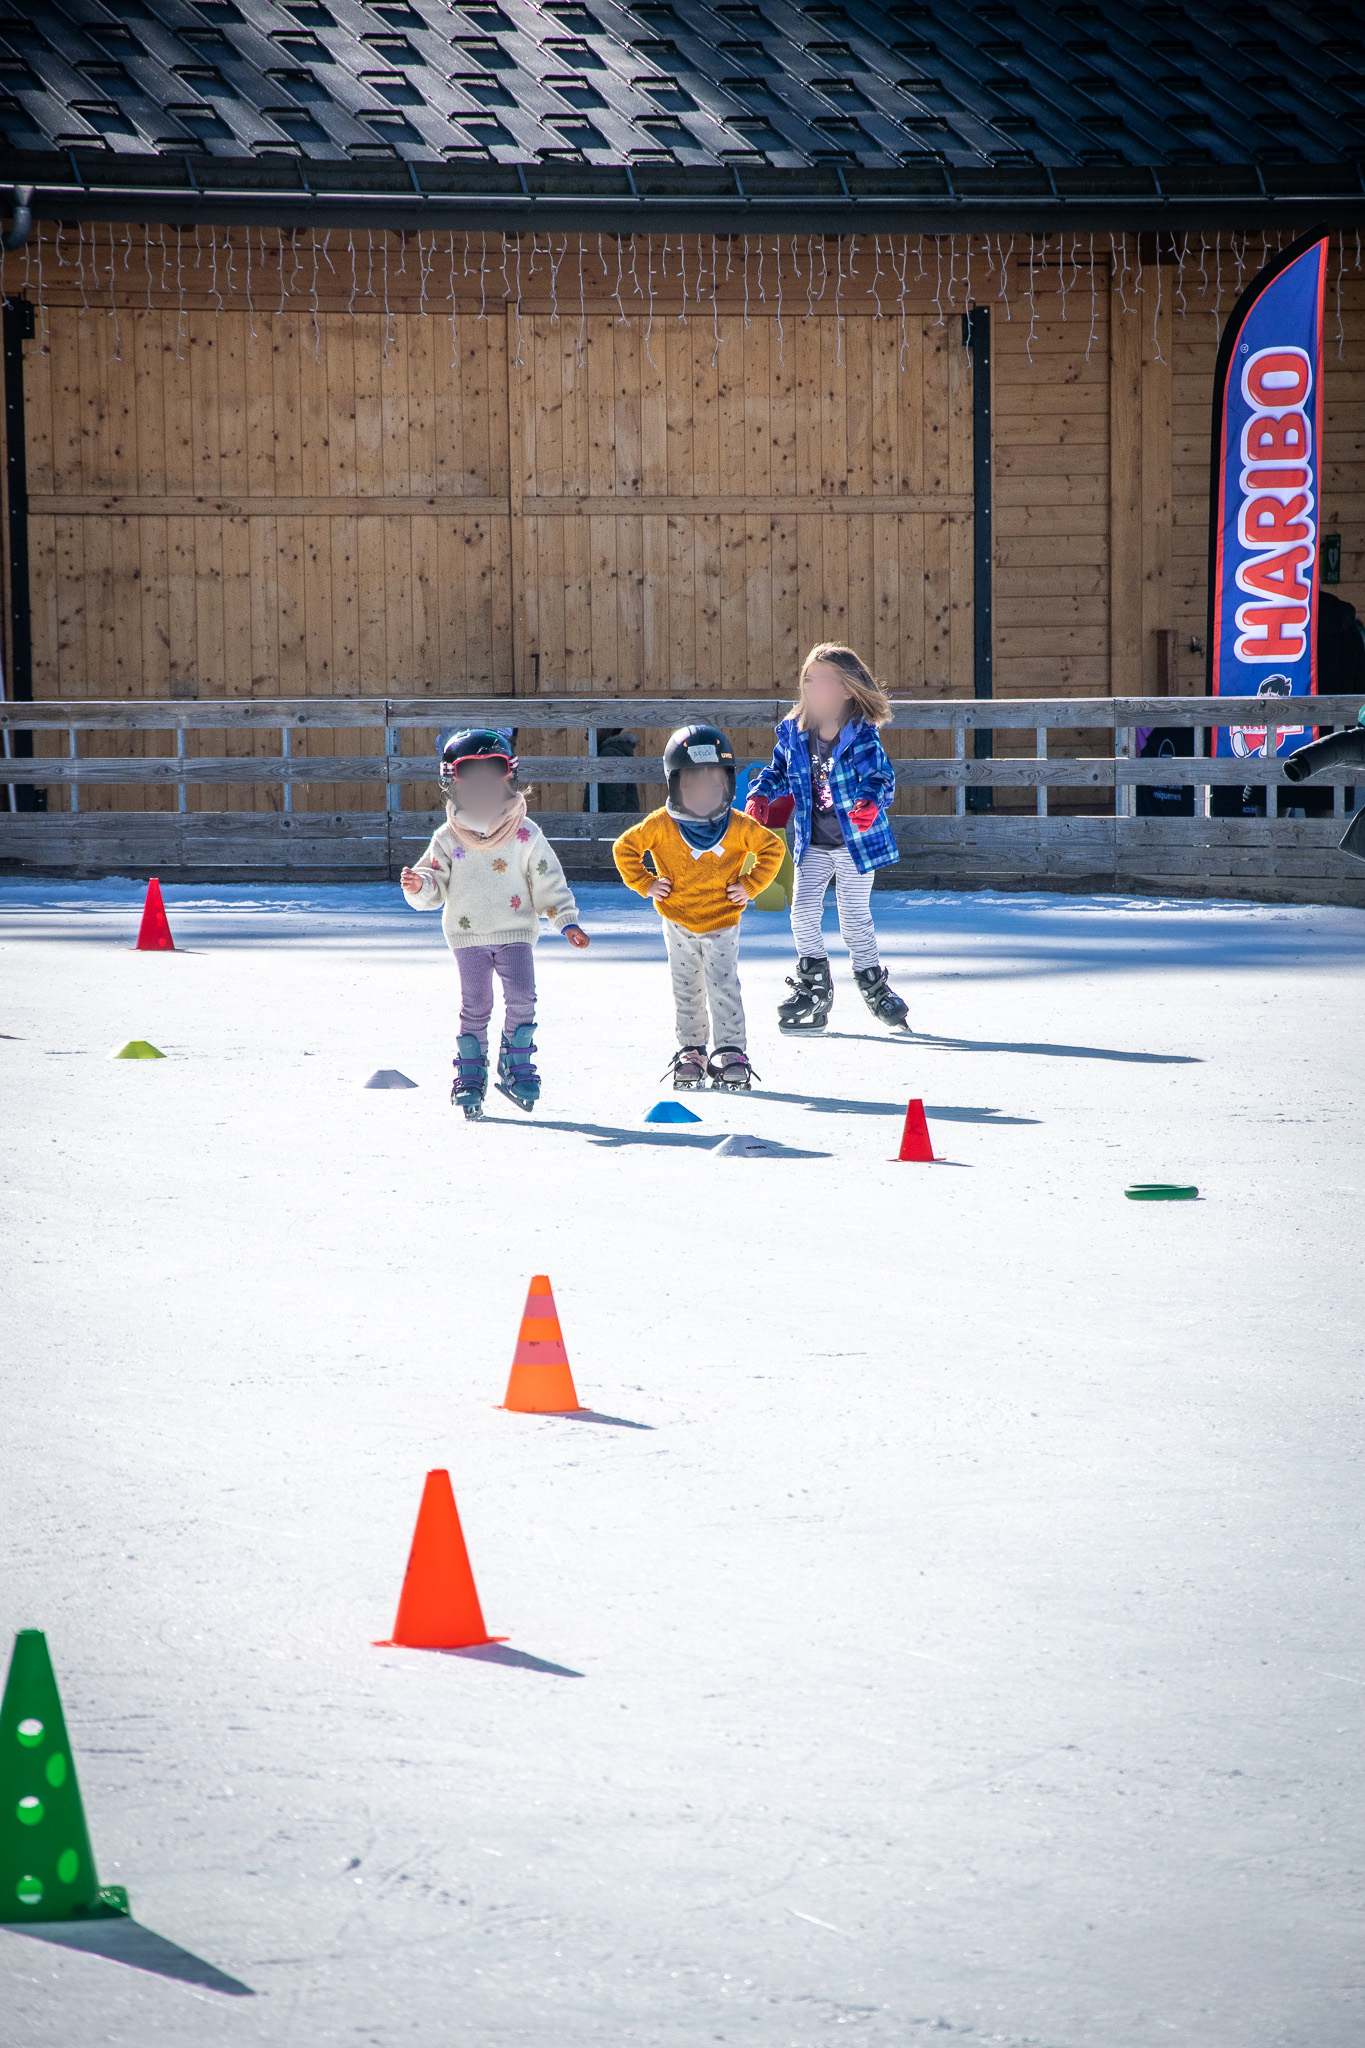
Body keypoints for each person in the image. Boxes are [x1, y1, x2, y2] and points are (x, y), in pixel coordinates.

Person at [400, 729, 589, 1120]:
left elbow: (548, 879)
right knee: (476, 1004)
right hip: (467, 936)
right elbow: (434, 884)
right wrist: (420, 884)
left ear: (508, 780)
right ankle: (470, 1073)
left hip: (516, 932)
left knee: (522, 996)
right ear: (452, 785)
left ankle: (516, 1063)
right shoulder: (447, 837)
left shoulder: (525, 833)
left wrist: (565, 920)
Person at [744, 642, 910, 1033]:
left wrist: (870, 802)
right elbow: (777, 771)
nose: (815, 688)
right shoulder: (793, 732)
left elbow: (880, 778)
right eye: (810, 680)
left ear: (848, 690)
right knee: (801, 913)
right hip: (814, 843)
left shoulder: (862, 736)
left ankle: (874, 986)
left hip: (856, 845)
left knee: (854, 920)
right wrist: (759, 794)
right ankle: (814, 987)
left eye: (826, 682)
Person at [612, 724, 785, 1091]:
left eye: (713, 785)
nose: (704, 795)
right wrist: (646, 882)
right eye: (694, 786)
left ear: (727, 785)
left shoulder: (738, 825)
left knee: (723, 986)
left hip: (722, 921)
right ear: (676, 786)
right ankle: (692, 1050)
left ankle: (731, 1051)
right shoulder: (661, 824)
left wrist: (750, 885)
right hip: (678, 922)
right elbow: (624, 849)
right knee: (687, 988)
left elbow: (772, 849)